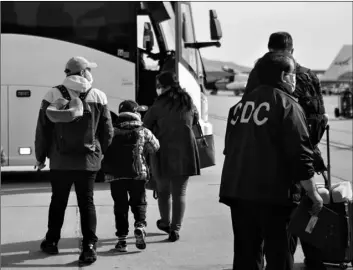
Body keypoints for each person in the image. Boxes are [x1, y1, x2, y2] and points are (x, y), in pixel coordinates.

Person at [220, 51, 323, 270]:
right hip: (274, 194)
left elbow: (230, 149)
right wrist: (313, 193)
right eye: (293, 74)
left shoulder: (238, 107)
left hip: (238, 191)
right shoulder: (288, 105)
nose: (295, 79)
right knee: (279, 254)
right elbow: (301, 154)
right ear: (285, 76)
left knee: (246, 254)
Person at [244, 32, 329, 270]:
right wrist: (308, 146)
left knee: (276, 232)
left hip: (269, 162)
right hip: (306, 155)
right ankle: (312, 260)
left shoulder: (259, 73)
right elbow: (320, 117)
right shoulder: (308, 75)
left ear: (270, 48)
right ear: (292, 50)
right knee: (309, 212)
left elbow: (249, 113)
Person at [34, 56, 114, 264]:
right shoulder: (98, 95)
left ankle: (51, 242)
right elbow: (107, 131)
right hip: (88, 161)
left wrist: (41, 157)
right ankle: (89, 246)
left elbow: (42, 129)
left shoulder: (53, 93)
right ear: (83, 72)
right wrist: (102, 153)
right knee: (86, 202)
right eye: (89, 70)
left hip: (60, 161)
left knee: (58, 201)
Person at [143, 71, 200, 242]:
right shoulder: (187, 101)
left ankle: (165, 223)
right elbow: (195, 120)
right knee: (179, 192)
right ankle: (175, 229)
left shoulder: (159, 104)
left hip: (162, 151)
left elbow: (146, 124)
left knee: (163, 191)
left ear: (163, 86)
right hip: (186, 151)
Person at [101, 100, 160, 252]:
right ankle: (140, 225)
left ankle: (122, 241)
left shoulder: (111, 131)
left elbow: (103, 148)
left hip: (115, 176)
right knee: (139, 202)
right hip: (137, 175)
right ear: (135, 113)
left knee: (120, 207)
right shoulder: (143, 131)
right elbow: (155, 147)